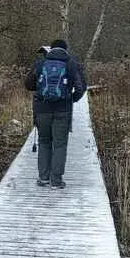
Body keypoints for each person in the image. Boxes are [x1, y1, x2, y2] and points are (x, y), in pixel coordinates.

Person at [24, 39, 87, 189]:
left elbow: (28, 84)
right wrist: (71, 99)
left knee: (44, 142)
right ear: (66, 50)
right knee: (60, 144)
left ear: (50, 49)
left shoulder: (40, 63)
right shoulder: (72, 64)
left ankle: (43, 178)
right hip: (63, 110)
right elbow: (81, 88)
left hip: (42, 110)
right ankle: (56, 181)